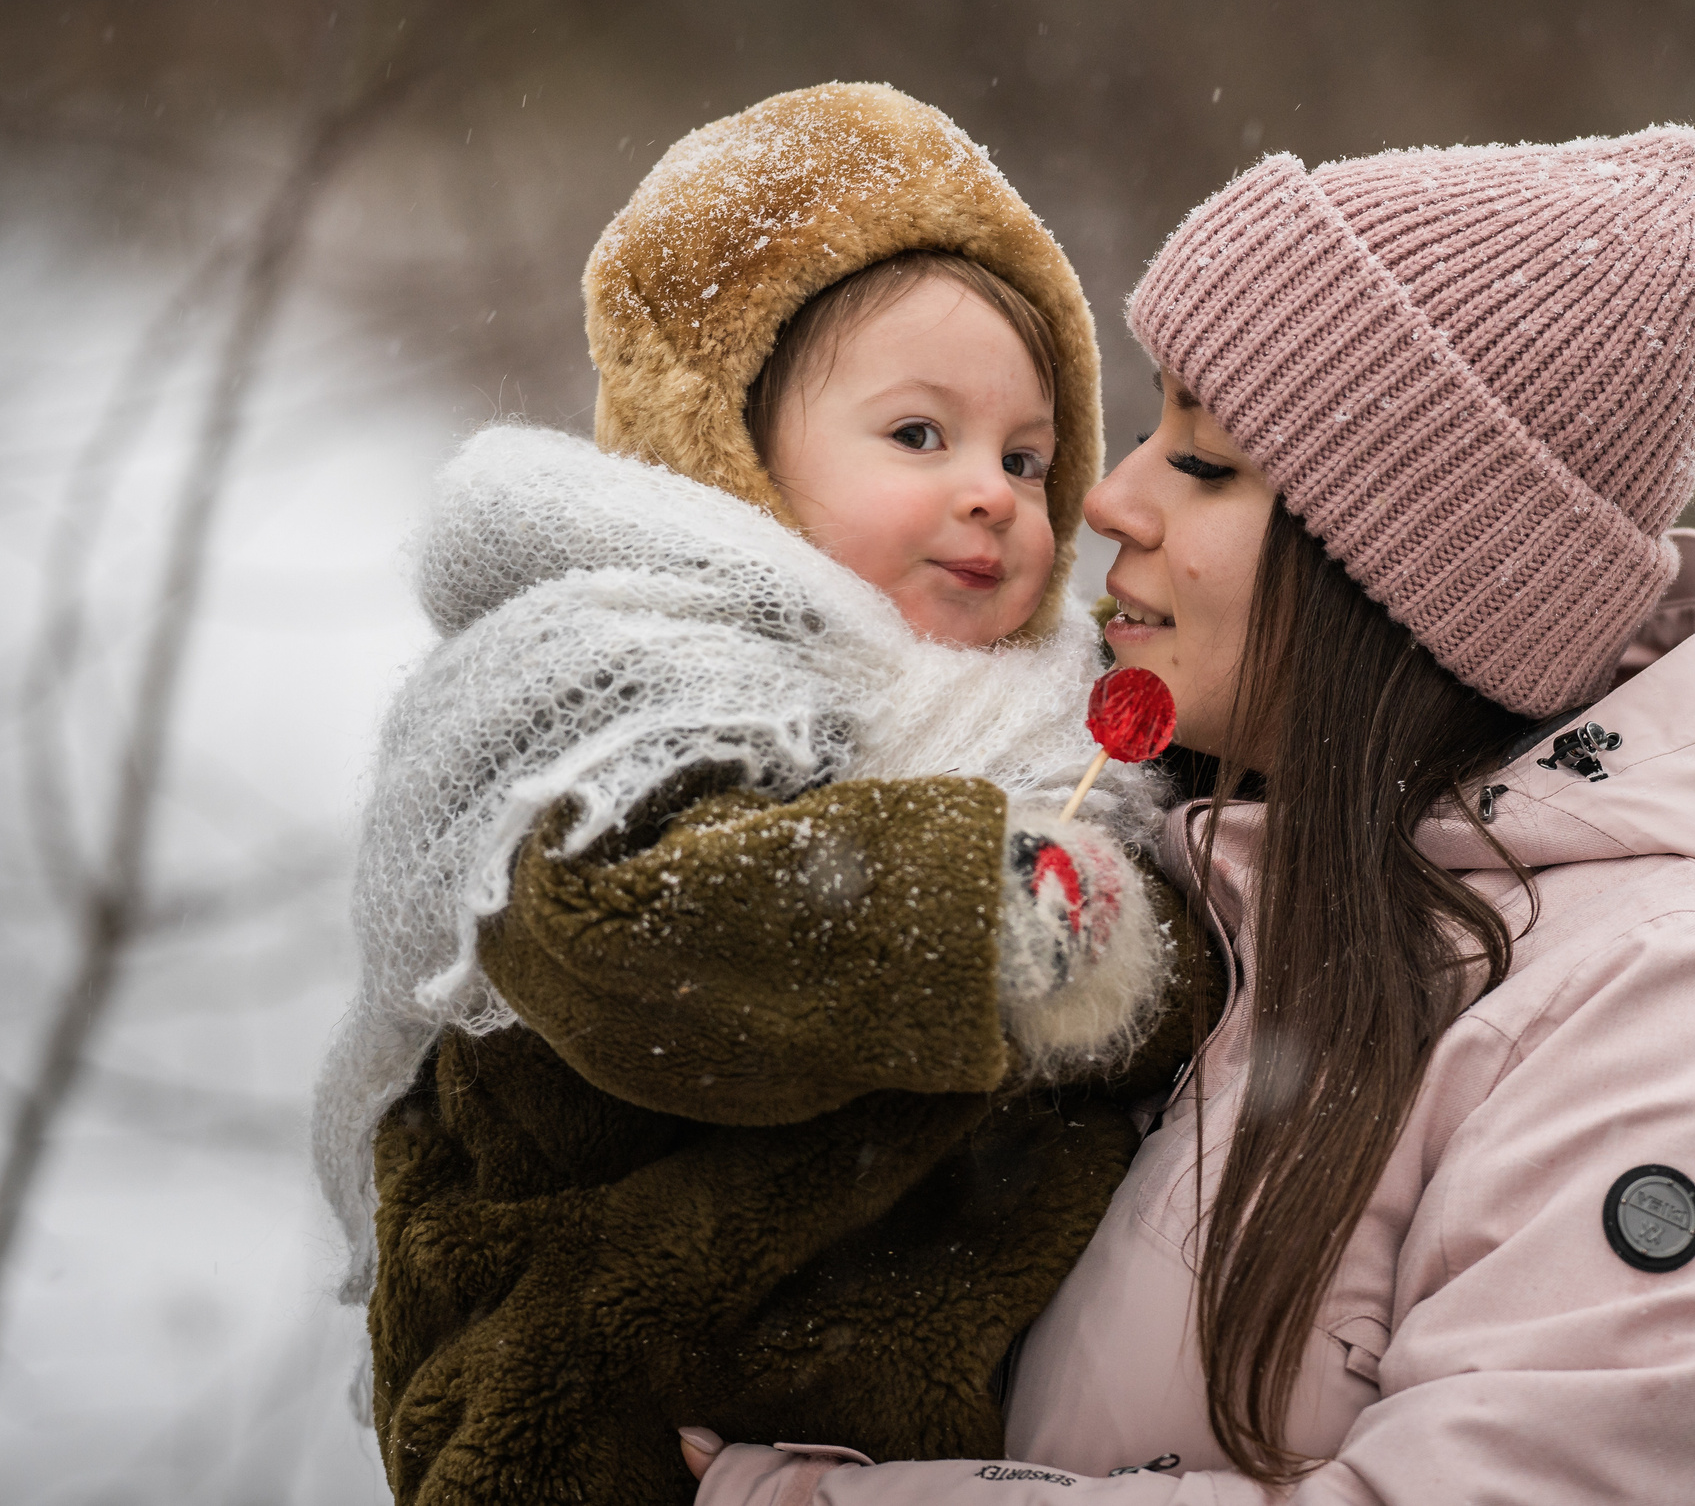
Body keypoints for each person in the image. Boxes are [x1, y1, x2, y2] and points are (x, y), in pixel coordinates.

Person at [686, 126, 1695, 1504]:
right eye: (1154, 429)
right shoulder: (1174, 865)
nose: (1104, 499)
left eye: (1203, 463)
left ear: (1406, 582)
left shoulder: (1685, 1009)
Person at [313, 83, 1207, 1506]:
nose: (992, 492)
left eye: (1027, 457)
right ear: (730, 454)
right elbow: (632, 929)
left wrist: (1136, 946)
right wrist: (972, 912)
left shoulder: (1056, 731)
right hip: (610, 1412)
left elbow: (1165, 961)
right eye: (920, 437)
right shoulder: (630, 689)